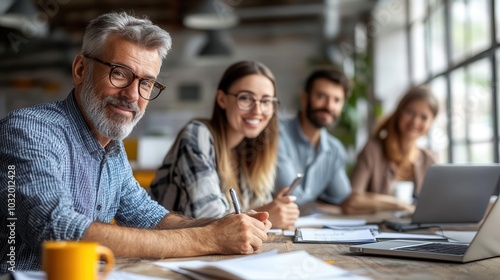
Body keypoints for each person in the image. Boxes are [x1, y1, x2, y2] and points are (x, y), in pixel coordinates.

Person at [0, 12, 271, 273]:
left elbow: (151, 218)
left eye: (146, 83)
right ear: (81, 69)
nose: (132, 95)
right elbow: (56, 230)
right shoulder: (29, 130)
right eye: (119, 73)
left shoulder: (112, 148)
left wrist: (224, 224)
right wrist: (210, 238)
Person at [150, 61, 300, 229]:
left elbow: (254, 212)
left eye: (266, 101)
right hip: (168, 249)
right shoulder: (197, 135)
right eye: (246, 98)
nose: (257, 110)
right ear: (222, 99)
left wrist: (273, 209)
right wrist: (267, 213)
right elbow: (209, 219)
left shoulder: (250, 149)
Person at [342, 86, 439, 214]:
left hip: (417, 232)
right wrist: (399, 205)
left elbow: (436, 204)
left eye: (424, 117)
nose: (415, 121)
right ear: (399, 112)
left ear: (431, 123)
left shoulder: (430, 159)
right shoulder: (373, 150)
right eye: (410, 112)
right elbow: (352, 201)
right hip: (376, 228)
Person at [275, 69, 352, 214]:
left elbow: (344, 199)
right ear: (304, 98)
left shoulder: (335, 149)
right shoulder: (278, 135)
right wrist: (321, 206)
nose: (329, 106)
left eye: (337, 100)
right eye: (321, 96)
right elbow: (293, 199)